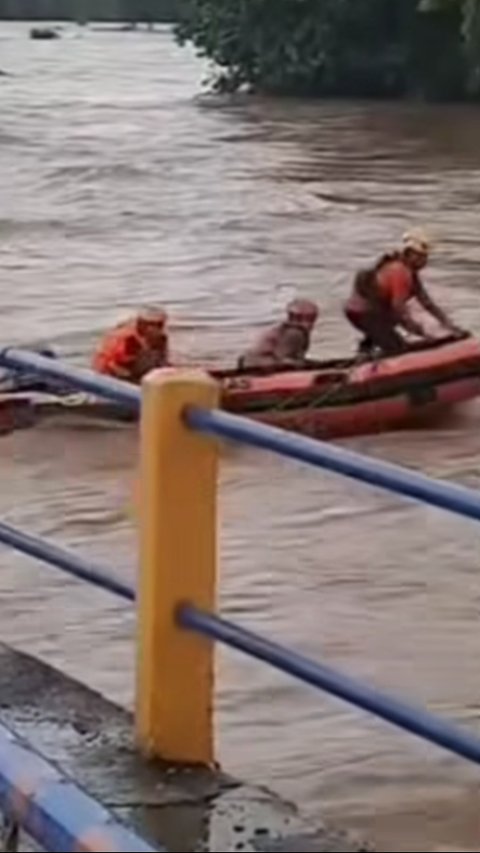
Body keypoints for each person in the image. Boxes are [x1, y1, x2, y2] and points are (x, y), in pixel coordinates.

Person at [343, 229, 464, 355]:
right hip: (365, 313)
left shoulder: (408, 272)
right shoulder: (401, 272)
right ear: (409, 254)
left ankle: (368, 348)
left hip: (361, 311)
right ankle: (375, 361)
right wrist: (416, 329)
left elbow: (427, 303)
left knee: (388, 331)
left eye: (425, 257)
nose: (424, 262)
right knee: (398, 349)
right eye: (420, 257)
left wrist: (449, 326)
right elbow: (398, 308)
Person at [238, 298, 319, 370]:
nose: (312, 323)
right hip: (260, 366)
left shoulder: (283, 330)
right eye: (311, 318)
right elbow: (283, 359)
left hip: (249, 362)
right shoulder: (295, 333)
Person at [93, 306, 170, 382]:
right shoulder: (127, 339)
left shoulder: (161, 338)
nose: (157, 329)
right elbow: (114, 367)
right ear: (141, 325)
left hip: (135, 368)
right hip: (109, 374)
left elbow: (162, 361)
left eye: (160, 325)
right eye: (152, 325)